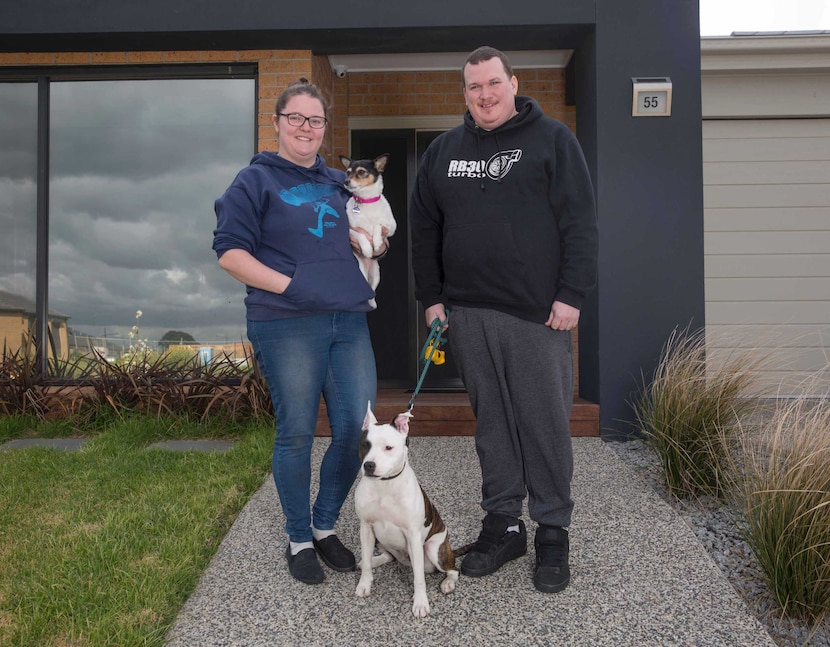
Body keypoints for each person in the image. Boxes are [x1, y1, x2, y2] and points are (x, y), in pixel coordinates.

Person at [410, 47, 598, 593]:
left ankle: (553, 532)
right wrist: (433, 298)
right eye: (474, 87)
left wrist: (571, 294)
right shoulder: (445, 151)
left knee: (542, 423)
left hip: (537, 315)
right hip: (467, 312)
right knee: (492, 425)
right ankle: (505, 523)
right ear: (464, 92)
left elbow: (580, 222)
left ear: (512, 83)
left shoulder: (553, 140)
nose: (485, 95)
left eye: (494, 83)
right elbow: (424, 232)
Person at [212, 78, 387, 585]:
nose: (306, 128)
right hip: (286, 322)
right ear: (277, 122)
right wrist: (295, 285)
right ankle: (299, 538)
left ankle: (325, 523)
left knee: (356, 428)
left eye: (315, 120)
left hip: (348, 320)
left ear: (324, 128)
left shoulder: (340, 180)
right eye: (296, 118)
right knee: (296, 433)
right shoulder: (254, 182)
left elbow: (368, 226)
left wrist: (374, 245)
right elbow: (230, 253)